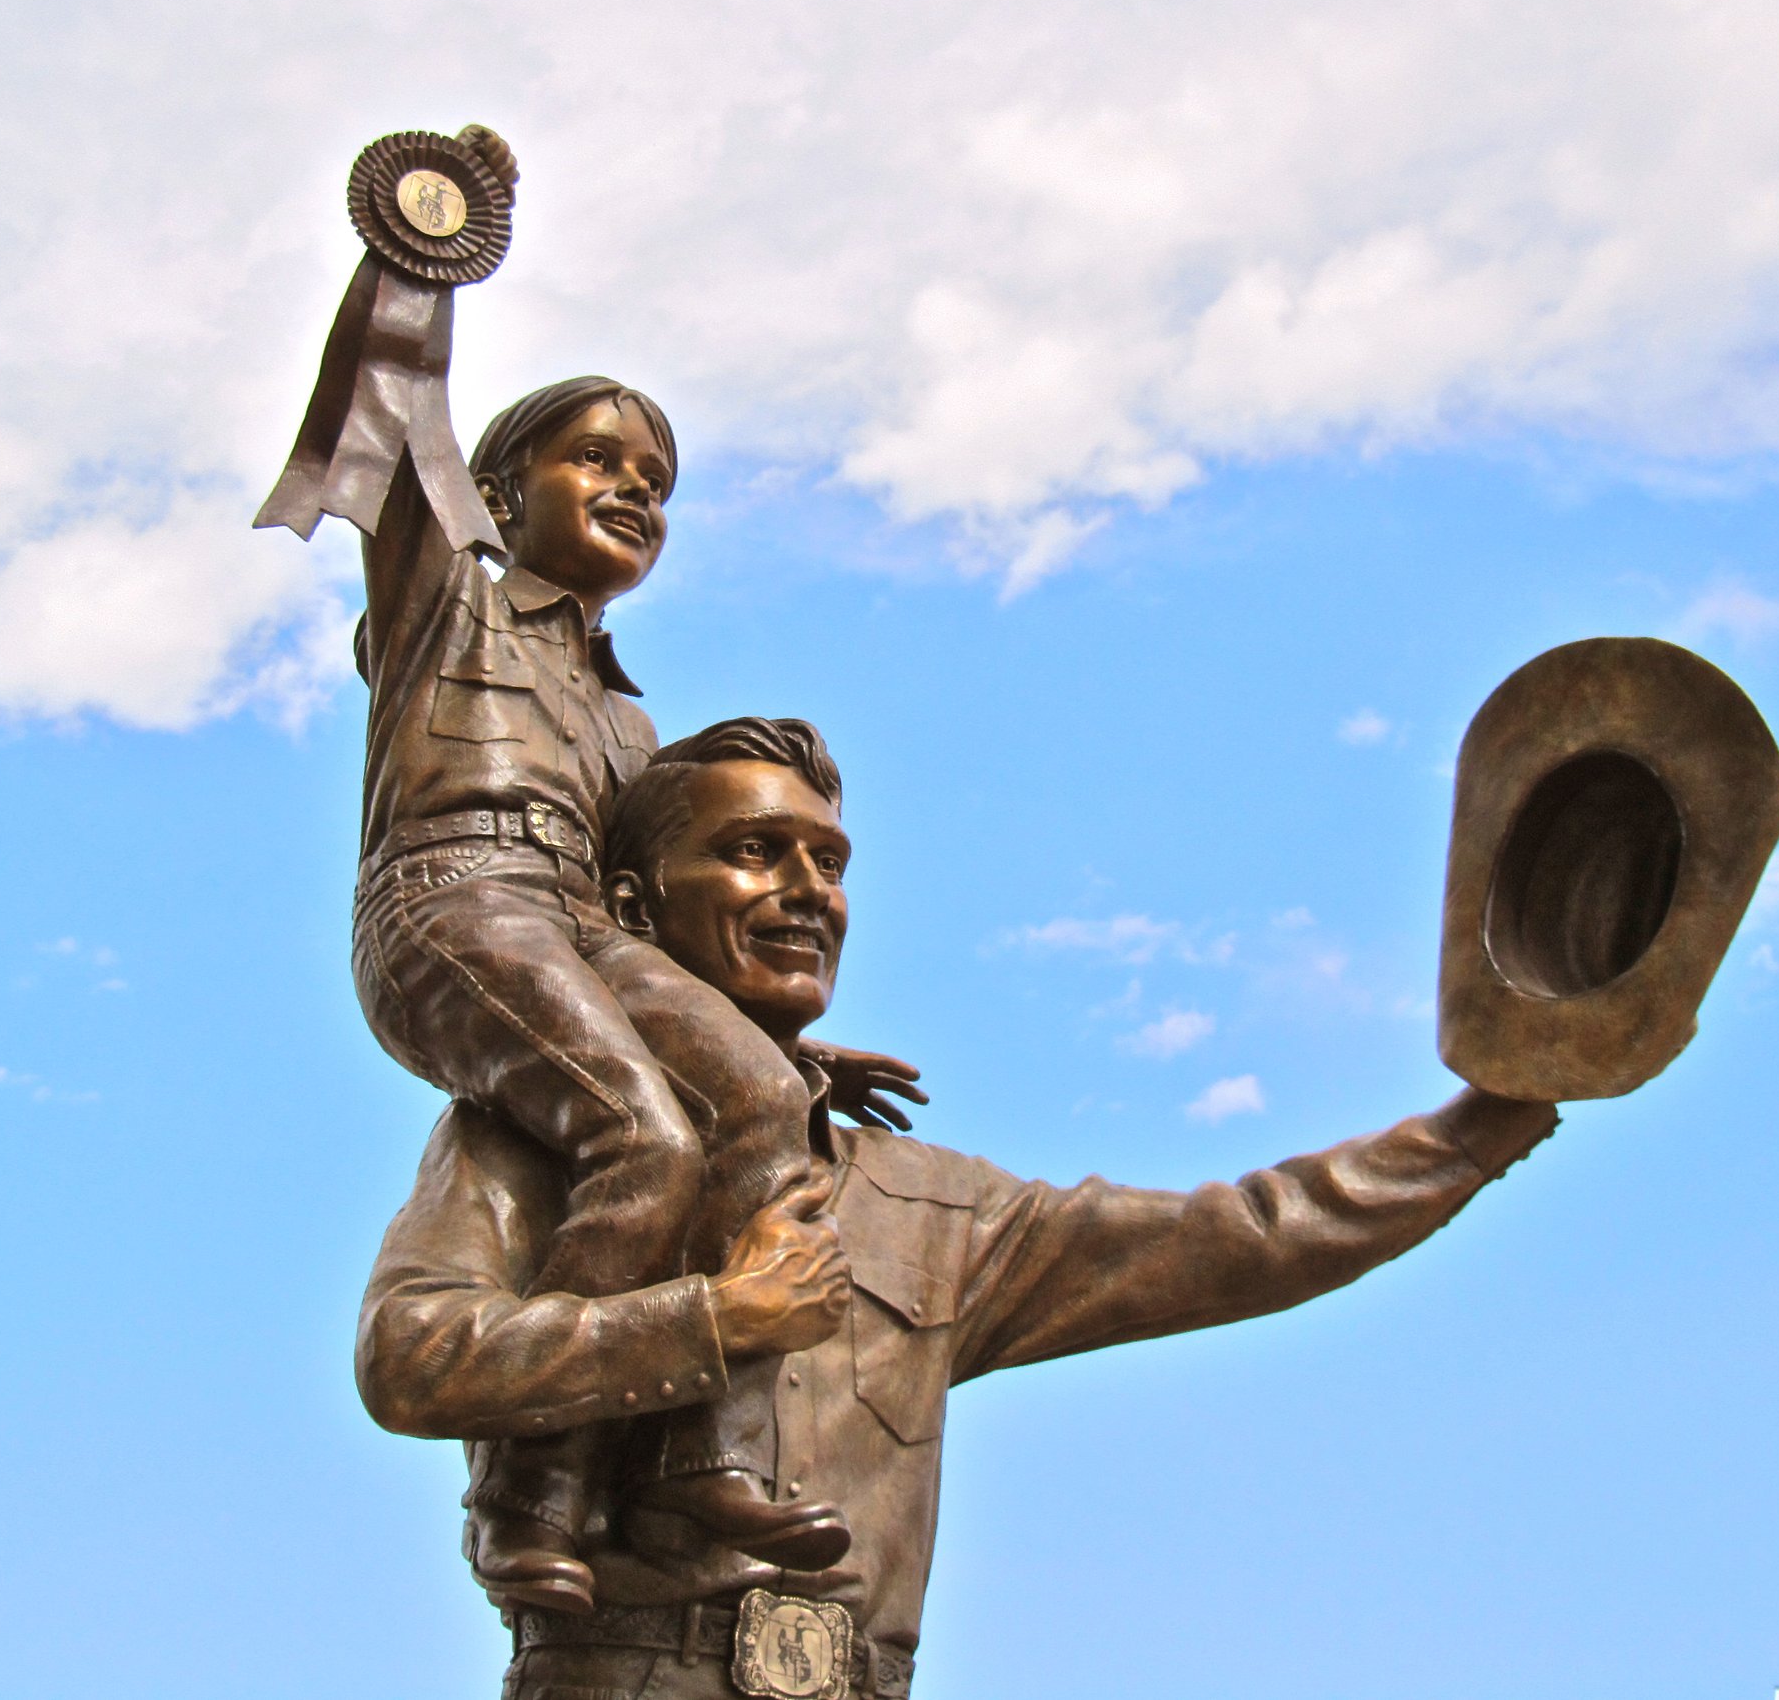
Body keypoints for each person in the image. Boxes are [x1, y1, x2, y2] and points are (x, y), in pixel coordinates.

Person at [356, 717, 1561, 1700]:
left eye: (828, 864)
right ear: (628, 905)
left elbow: (1242, 1236)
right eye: (755, 852)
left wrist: (1479, 1130)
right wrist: (713, 1316)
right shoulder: (550, 1138)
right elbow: (412, 1359)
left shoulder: (933, 1209)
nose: (804, 893)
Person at [333, 383, 875, 1613]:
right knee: (639, 1135)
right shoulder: (445, 601)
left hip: (577, 923)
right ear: (500, 493)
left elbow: (663, 932)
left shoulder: (628, 719)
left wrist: (794, 1054)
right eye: (599, 460)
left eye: (658, 481)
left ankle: (695, 1458)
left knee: (756, 1103)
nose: (636, 490)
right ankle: (523, 1498)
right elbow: (393, 412)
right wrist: (418, 260)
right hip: (456, 897)